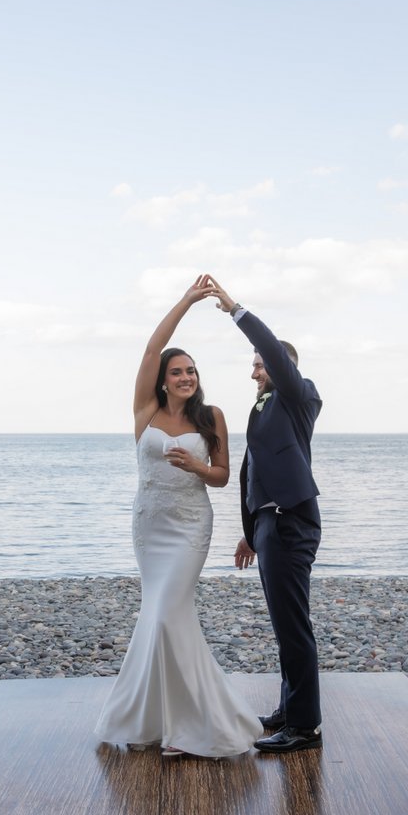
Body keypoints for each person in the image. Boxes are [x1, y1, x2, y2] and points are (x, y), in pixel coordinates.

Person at [94, 277, 262, 758]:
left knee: (168, 613)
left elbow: (225, 476)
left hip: (190, 528)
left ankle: (192, 726)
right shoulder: (144, 413)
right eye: (177, 372)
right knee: (159, 616)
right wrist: (188, 300)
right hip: (149, 527)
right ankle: (155, 723)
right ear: (163, 380)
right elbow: (151, 348)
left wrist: (197, 466)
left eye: (191, 371)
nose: (186, 377)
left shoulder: (212, 416)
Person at [205, 276, 324, 753]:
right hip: (270, 525)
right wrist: (250, 532)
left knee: (294, 626)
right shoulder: (262, 410)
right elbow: (252, 473)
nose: (255, 372)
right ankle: (289, 710)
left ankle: (305, 728)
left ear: (281, 365)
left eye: (260, 365)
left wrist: (236, 310)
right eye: (253, 366)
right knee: (282, 624)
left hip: (293, 523)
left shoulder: (300, 396)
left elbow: (273, 352)